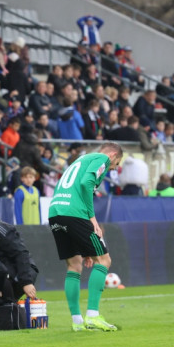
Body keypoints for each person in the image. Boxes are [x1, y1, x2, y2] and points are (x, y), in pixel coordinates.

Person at [47, 141, 124, 332]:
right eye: (116, 163)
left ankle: (77, 322)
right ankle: (92, 316)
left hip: (56, 212)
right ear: (113, 155)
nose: (114, 167)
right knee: (104, 260)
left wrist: (85, 248)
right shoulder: (102, 158)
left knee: (74, 265)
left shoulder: (80, 161)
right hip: (75, 212)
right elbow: (86, 183)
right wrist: (92, 218)